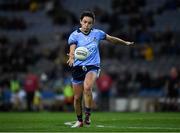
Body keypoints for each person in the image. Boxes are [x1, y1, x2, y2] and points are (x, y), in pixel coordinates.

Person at [67, 11, 134, 128]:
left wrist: (125, 43)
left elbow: (112, 39)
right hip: (77, 67)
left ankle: (87, 115)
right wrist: (72, 57)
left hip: (93, 66)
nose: (87, 25)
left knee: (87, 88)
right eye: (85, 22)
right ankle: (79, 121)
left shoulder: (97, 33)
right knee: (77, 98)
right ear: (80, 22)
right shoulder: (74, 35)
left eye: (89, 23)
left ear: (93, 24)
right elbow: (72, 48)